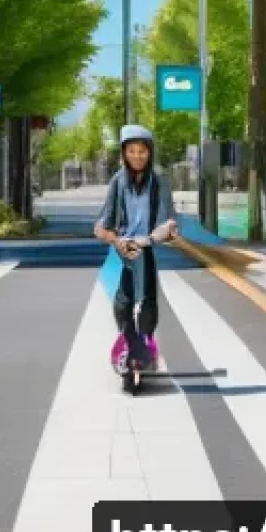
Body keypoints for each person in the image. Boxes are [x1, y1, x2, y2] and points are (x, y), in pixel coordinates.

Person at [94, 125, 178, 379]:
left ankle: (145, 339)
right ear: (124, 153)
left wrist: (155, 236)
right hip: (123, 249)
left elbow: (169, 221)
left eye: (142, 151)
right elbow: (101, 227)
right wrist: (117, 241)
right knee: (123, 301)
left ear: (150, 152)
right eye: (131, 151)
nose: (137, 156)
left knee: (149, 298)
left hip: (147, 245)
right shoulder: (118, 182)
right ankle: (129, 339)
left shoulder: (159, 181)